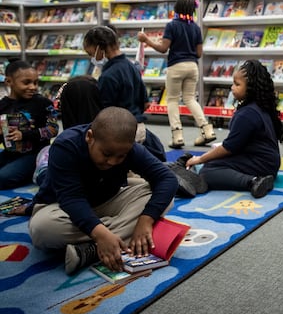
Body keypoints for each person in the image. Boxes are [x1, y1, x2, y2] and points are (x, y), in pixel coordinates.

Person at [28, 107, 178, 275]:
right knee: (41, 229)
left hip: (106, 200)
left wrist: (146, 220)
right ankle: (113, 237)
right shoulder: (66, 145)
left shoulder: (128, 149)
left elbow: (168, 179)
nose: (113, 161)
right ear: (89, 137)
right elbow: (71, 199)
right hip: (62, 207)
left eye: (121, 157)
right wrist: (100, 234)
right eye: (106, 154)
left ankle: (91, 248)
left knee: (164, 198)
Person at [184, 59, 283, 198]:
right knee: (213, 161)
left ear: (251, 87)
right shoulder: (259, 106)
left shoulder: (247, 114)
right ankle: (256, 179)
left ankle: (254, 181)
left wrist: (200, 159)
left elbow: (229, 148)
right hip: (268, 162)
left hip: (261, 165)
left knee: (207, 171)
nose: (232, 87)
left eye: (237, 84)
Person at [137, 0, 216, 149]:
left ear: (176, 9)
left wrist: (146, 40)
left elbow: (163, 48)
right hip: (193, 67)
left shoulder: (172, 26)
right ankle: (207, 130)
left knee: (172, 100)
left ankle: (177, 135)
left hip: (176, 66)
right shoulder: (195, 28)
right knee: (190, 99)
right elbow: (199, 53)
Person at [83, 25, 166, 161]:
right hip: (139, 128)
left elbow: (105, 113)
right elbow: (145, 103)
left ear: (99, 47)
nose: (92, 57)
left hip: (119, 134)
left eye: (91, 53)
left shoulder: (108, 76)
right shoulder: (132, 67)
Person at [0, 59, 59, 189]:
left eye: (35, 82)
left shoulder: (44, 103)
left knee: (2, 178)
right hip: (9, 152)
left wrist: (24, 135)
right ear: (9, 81)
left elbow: (53, 129)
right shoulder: (2, 105)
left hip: (35, 154)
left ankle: (34, 172)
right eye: (26, 83)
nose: (33, 87)